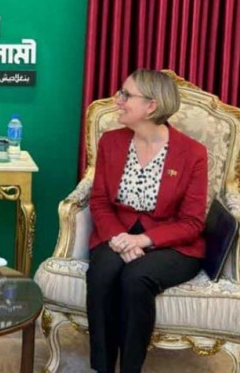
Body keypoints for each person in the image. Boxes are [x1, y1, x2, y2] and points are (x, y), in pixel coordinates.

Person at [86, 69, 208, 373]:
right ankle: (102, 367)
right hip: (117, 231)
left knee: (135, 278)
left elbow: (192, 222)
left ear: (151, 106)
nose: (118, 100)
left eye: (126, 95)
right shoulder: (111, 142)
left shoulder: (193, 154)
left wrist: (142, 240)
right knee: (102, 272)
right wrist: (119, 238)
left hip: (172, 243)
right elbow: (99, 201)